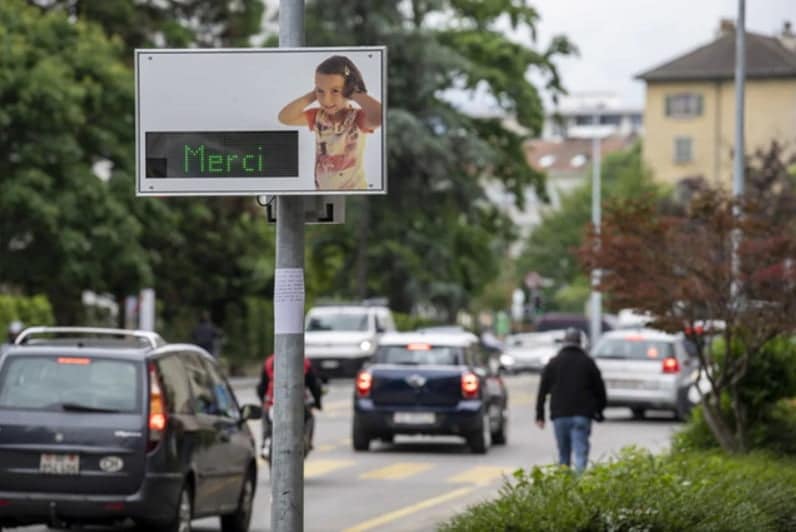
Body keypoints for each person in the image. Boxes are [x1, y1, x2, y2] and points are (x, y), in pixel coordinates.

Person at [277, 55, 382, 190]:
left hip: (354, 194)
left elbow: (380, 116)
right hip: (322, 194)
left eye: (335, 91)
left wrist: (355, 93)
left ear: (348, 90)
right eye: (320, 91)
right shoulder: (318, 117)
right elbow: (285, 118)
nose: (326, 100)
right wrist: (314, 94)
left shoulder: (357, 119)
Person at [535, 327, 606, 474]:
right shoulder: (588, 362)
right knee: (580, 453)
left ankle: (565, 489)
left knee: (563, 455)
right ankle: (579, 486)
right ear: (580, 343)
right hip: (582, 415)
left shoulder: (553, 363)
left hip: (560, 415)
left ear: (564, 342)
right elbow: (600, 389)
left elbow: (542, 391)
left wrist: (540, 415)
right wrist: (599, 410)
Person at [255, 353, 323, 457]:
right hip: (297, 402)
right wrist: (318, 403)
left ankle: (265, 442)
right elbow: (314, 385)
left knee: (266, 418)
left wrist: (263, 402)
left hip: (271, 401)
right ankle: (306, 441)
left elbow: (261, 387)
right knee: (310, 417)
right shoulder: (303, 362)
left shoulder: (269, 362)